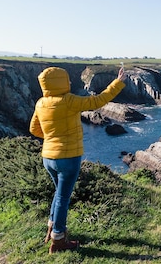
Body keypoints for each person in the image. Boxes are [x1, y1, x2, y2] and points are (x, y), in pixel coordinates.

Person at [29, 65, 126, 254]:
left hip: (48, 157)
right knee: (63, 198)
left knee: (58, 194)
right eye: (67, 79)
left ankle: (52, 228)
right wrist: (117, 83)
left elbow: (34, 129)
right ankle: (58, 240)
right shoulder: (69, 101)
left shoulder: (41, 103)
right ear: (60, 82)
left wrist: (52, 139)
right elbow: (97, 101)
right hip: (68, 157)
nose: (71, 82)